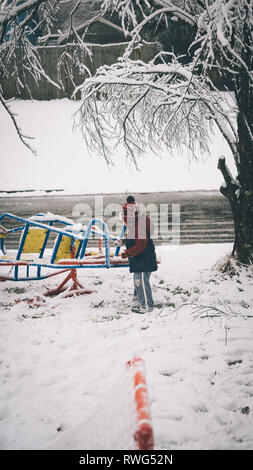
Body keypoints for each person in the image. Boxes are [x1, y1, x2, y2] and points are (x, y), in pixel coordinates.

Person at [120, 195, 158, 314]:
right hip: (139, 260)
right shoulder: (134, 225)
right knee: (137, 281)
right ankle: (138, 300)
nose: (124, 220)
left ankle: (147, 305)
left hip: (143, 260)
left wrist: (127, 253)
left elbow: (141, 245)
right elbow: (135, 240)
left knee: (141, 282)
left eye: (124, 217)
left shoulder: (138, 226)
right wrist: (123, 242)